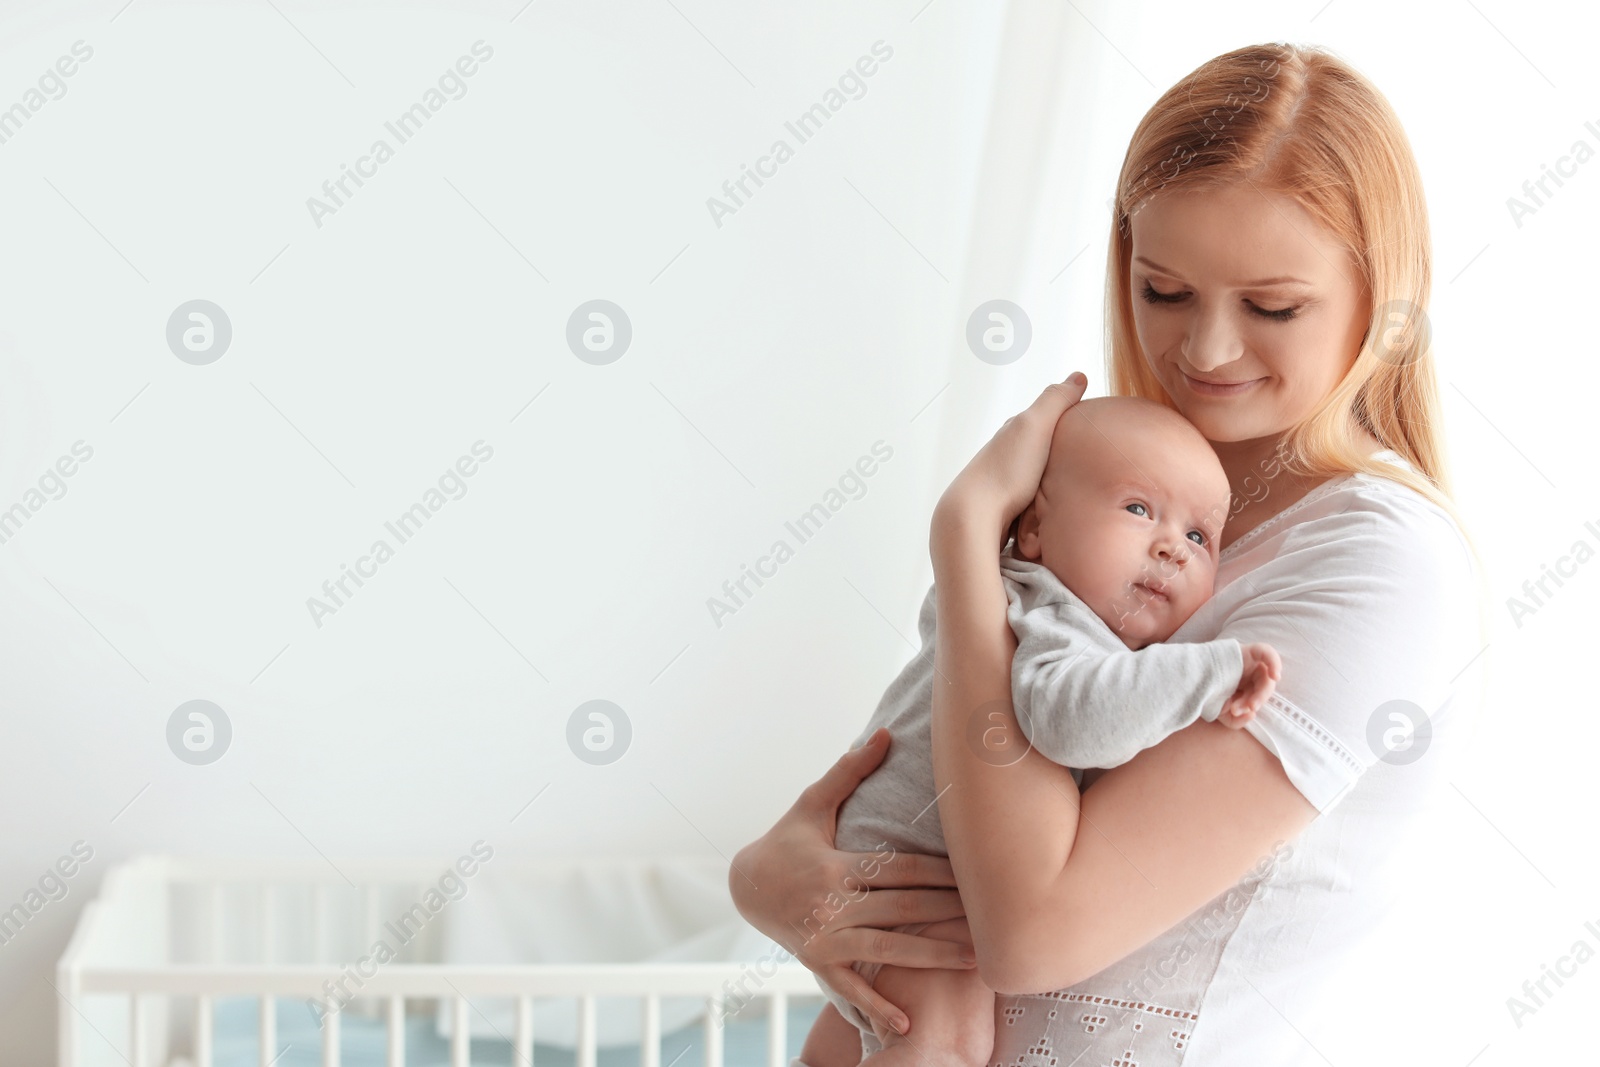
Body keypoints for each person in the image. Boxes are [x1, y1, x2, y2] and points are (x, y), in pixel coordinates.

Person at [731, 41, 1488, 1065]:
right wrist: (772, 878)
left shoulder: (1381, 562)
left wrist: (964, 545)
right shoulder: (1116, 496)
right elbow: (934, 782)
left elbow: (1032, 933)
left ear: (1381, 300)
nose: (1206, 350)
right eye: (1163, 289)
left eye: (1271, 305)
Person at [809, 397, 1283, 1067]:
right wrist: (1206, 674)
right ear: (1033, 528)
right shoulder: (1049, 611)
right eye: (1139, 509)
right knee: (939, 1046)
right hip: (904, 871)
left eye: (1200, 538)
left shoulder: (1024, 605)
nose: (1171, 546)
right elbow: (1070, 722)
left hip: (897, 867)